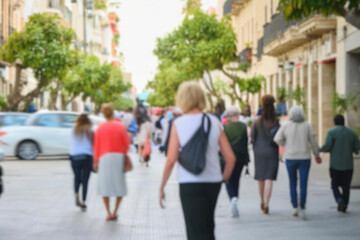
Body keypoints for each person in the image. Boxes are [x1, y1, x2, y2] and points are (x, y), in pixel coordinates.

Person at [159, 81, 235, 240]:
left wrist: (162, 186)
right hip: (212, 182)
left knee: (194, 231)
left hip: (189, 182)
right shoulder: (214, 122)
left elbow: (171, 158)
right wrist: (223, 178)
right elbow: (230, 158)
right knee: (208, 228)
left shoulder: (178, 123)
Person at [274, 106, 321, 219]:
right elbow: (313, 141)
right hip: (304, 157)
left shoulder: (286, 125)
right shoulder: (307, 125)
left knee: (292, 182)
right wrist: (317, 154)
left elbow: (277, 138)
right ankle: (303, 206)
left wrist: (285, 145)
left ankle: (295, 207)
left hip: (290, 157)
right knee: (303, 184)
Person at [93, 103, 130, 221]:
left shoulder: (100, 128)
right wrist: (124, 154)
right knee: (119, 184)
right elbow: (126, 143)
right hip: (118, 157)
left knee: (105, 185)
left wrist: (95, 161)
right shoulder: (120, 126)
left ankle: (108, 212)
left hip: (104, 157)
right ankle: (115, 211)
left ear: (103, 114)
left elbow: (96, 146)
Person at [320, 114, 360, 212]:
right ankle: (345, 204)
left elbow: (328, 146)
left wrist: (320, 150)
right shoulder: (351, 133)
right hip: (348, 164)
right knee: (346, 186)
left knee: (334, 184)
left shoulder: (331, 132)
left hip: (335, 164)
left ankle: (339, 199)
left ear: (335, 122)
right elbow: (357, 146)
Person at [250, 95, 280, 214]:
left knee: (261, 178)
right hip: (272, 151)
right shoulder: (276, 121)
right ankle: (267, 203)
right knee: (269, 178)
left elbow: (252, 138)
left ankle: (261, 200)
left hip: (259, 152)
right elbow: (280, 137)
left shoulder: (257, 121)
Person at [223, 106, 249, 217]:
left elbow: (223, 144)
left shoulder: (226, 127)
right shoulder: (243, 127)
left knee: (228, 179)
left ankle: (232, 198)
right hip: (241, 157)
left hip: (229, 157)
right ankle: (235, 200)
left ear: (229, 116)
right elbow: (245, 143)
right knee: (237, 179)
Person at [69, 114, 93, 211]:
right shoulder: (90, 130)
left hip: (74, 156)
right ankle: (83, 202)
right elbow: (93, 145)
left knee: (77, 178)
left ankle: (76, 194)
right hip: (86, 157)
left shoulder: (73, 130)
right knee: (85, 180)